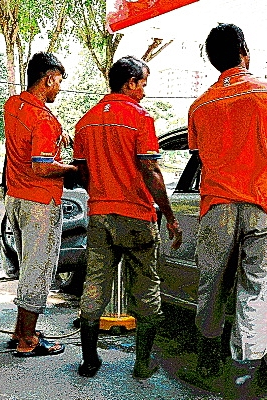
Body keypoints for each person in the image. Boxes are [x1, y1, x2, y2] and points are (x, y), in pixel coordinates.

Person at [184, 23, 267, 398]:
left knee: (212, 285)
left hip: (217, 208)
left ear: (212, 60)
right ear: (245, 51)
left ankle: (207, 360)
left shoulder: (199, 106)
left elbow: (201, 160)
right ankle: (241, 380)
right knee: (257, 292)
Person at [72, 56, 183, 378]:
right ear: (130, 82)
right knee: (146, 288)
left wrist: (101, 191)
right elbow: (150, 169)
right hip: (136, 216)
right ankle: (142, 363)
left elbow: (81, 172)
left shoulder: (86, 122)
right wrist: (170, 216)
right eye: (143, 84)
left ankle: (90, 361)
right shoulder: (140, 118)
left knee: (94, 285)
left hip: (99, 215)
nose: (144, 92)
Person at [3, 52, 77, 357]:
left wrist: (60, 137)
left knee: (28, 268)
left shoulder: (13, 105)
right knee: (39, 270)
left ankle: (20, 330)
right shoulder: (45, 119)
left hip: (15, 199)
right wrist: (73, 169)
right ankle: (27, 340)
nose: (59, 88)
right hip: (40, 203)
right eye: (57, 81)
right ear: (47, 79)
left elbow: (27, 142)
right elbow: (42, 166)